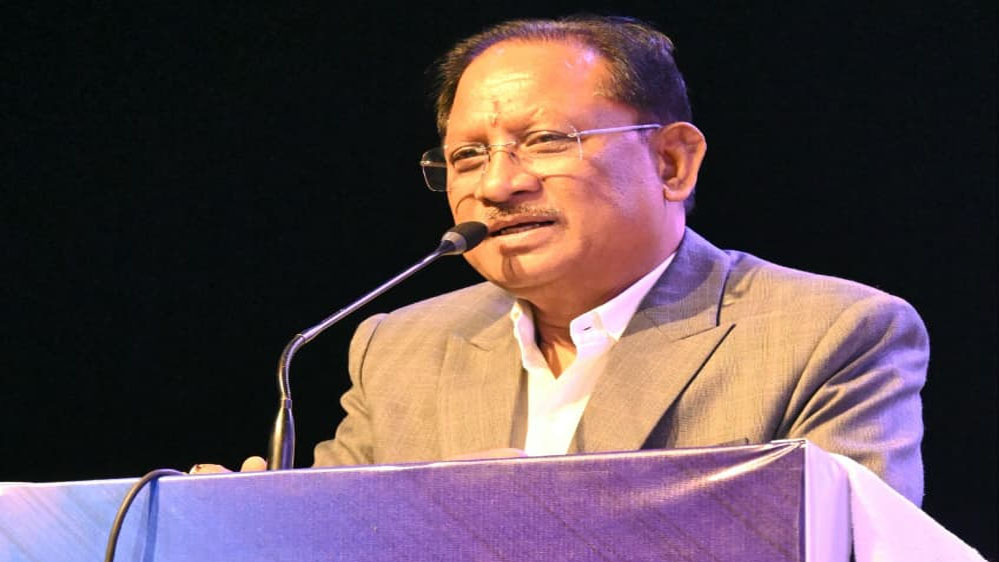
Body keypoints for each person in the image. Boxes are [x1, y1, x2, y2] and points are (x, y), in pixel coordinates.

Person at [194, 15, 927, 506]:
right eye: (467, 156)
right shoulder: (400, 348)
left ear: (671, 162)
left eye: (545, 141)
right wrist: (244, 524)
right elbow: (340, 534)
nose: (497, 185)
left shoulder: (826, 334)